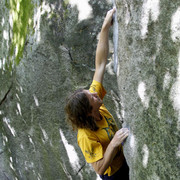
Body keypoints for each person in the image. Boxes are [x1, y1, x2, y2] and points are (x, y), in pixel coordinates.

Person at [65, 7, 129, 180]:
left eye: (90, 92)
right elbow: (100, 169)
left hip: (125, 159)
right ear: (88, 112)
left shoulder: (93, 97)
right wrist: (114, 144)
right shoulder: (85, 136)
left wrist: (105, 27)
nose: (95, 93)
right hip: (114, 174)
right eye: (92, 97)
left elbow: (100, 63)